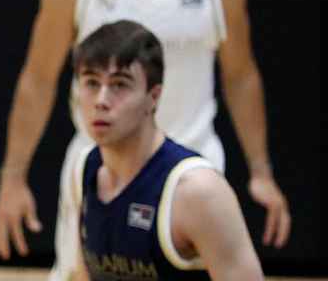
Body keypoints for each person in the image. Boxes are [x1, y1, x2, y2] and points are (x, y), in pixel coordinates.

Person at [0, 0, 290, 279]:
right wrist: (13, 176)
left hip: (188, 172)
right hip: (100, 168)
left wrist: (261, 170)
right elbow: (37, 81)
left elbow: (241, 77)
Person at [69, 20, 264, 280]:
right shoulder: (84, 168)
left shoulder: (197, 191)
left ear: (154, 96)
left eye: (120, 84)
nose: (101, 101)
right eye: (92, 83)